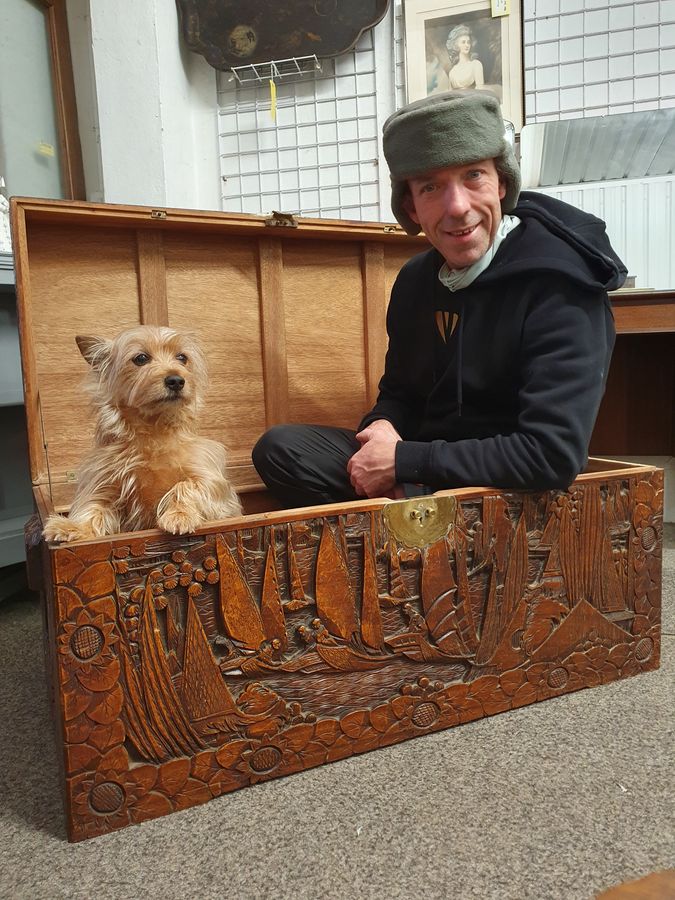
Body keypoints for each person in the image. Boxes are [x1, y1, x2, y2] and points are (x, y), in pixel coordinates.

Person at [252, 90, 625, 507]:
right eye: (431, 187)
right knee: (282, 449)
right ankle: (407, 509)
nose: (457, 207)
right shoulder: (415, 280)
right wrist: (382, 429)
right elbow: (401, 393)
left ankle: (408, 513)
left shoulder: (562, 283)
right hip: (424, 465)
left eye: (474, 176)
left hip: (506, 483)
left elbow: (551, 455)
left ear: (502, 183)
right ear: (411, 207)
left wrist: (405, 463)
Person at [446, 24, 484, 90]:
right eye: (463, 42)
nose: (467, 45)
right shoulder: (452, 72)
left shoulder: (476, 65)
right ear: (456, 45)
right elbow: (450, 95)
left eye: (468, 42)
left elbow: (480, 91)